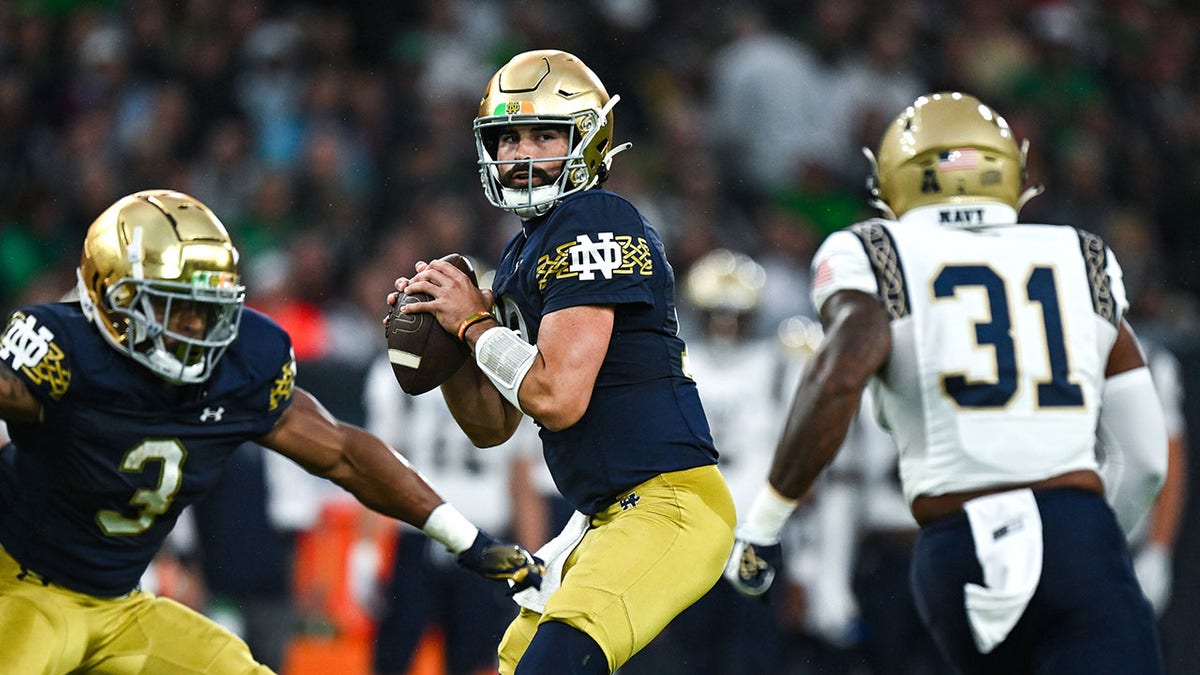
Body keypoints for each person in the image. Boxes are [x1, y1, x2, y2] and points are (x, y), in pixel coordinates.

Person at [0, 189, 543, 674]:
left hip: (122, 605)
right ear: (112, 299)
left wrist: (468, 540)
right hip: (22, 591)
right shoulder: (59, 349)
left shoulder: (242, 361)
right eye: (176, 307)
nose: (197, 328)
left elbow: (343, 455)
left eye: (206, 308)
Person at [724, 92, 1170, 674]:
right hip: (1074, 526)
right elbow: (1146, 457)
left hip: (956, 538)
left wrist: (763, 523)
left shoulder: (873, 249)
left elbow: (841, 374)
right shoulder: (1081, 255)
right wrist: (1093, 542)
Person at [390, 50, 735, 674]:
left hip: (667, 505)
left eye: (544, 134)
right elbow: (492, 427)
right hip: (604, 515)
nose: (521, 154)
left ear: (591, 139)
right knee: (516, 663)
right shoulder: (527, 247)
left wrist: (474, 322)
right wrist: (451, 345)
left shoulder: (595, 217)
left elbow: (558, 397)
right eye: (508, 138)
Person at [362, 345, 547, 675]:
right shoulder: (517, 371)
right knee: (395, 656)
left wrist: (533, 561)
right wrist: (366, 549)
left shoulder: (512, 369)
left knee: (471, 661)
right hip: (424, 534)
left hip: (473, 537)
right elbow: (381, 465)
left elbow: (521, 483)